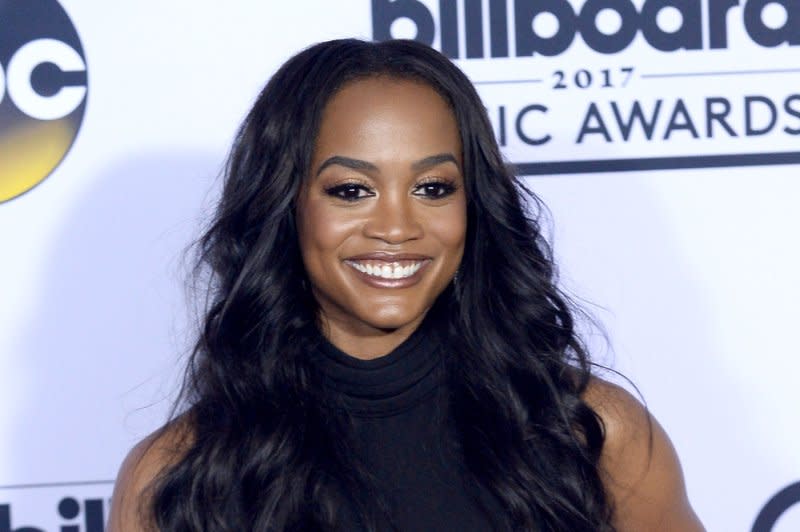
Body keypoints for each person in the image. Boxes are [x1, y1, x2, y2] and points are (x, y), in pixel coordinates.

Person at [109, 38, 704, 531]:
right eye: (351, 190)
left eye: (433, 188)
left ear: (475, 206)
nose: (396, 227)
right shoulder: (178, 479)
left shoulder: (593, 436)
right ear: (282, 205)